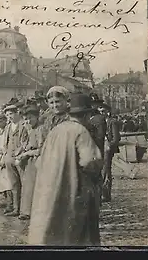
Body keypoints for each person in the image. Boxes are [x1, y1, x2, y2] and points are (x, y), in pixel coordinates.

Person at [28, 93, 103, 246]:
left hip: (50, 189)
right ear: (87, 114)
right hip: (74, 189)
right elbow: (91, 161)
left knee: (53, 227)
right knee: (77, 232)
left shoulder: (55, 130)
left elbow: (39, 162)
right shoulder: (81, 131)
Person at [15, 105, 42, 221]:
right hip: (29, 161)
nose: (28, 121)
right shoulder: (31, 129)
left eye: (30, 118)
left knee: (33, 187)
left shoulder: (40, 130)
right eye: (26, 119)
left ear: (37, 117)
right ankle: (26, 211)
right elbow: (27, 144)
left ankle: (31, 212)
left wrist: (27, 153)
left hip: (37, 161)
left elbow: (41, 149)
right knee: (27, 186)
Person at [2, 103, 29, 217]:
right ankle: (15, 208)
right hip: (9, 158)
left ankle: (24, 210)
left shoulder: (24, 126)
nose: (9, 117)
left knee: (24, 183)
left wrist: (19, 154)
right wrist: (5, 156)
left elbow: (25, 142)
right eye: (7, 115)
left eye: (11, 114)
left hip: (20, 159)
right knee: (13, 184)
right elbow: (5, 142)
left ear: (17, 113)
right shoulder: (8, 127)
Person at [101, 103, 121, 202]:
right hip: (101, 148)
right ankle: (102, 193)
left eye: (103, 111)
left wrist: (109, 146)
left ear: (107, 112)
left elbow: (116, 138)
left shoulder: (112, 122)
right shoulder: (101, 122)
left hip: (108, 148)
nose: (101, 113)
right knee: (101, 170)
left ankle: (106, 194)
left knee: (106, 170)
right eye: (100, 111)